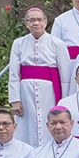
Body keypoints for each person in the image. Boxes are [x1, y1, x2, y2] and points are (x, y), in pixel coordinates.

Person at [9, 8, 73, 148]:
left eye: (39, 20)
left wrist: (65, 101)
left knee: (48, 121)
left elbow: (65, 75)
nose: (36, 23)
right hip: (26, 92)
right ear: (26, 24)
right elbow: (13, 74)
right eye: (32, 20)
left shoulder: (57, 43)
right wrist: (15, 100)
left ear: (45, 22)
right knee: (27, 124)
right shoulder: (18, 43)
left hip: (49, 91)